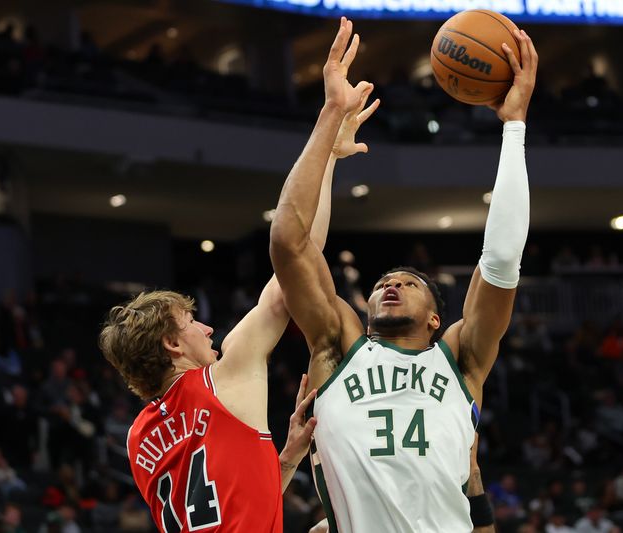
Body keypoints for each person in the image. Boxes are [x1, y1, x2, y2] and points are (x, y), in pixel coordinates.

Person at [270, 17, 536, 532]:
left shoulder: (461, 359)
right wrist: (330, 118)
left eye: (408, 283)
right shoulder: (336, 346)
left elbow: (502, 259)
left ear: (437, 319)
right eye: (381, 283)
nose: (389, 284)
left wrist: (514, 126)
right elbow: (288, 240)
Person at [98, 87, 377, 532]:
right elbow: (298, 259)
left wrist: (283, 461)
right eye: (190, 323)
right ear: (171, 344)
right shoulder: (223, 376)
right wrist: (329, 151)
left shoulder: (138, 437)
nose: (207, 329)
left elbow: (217, 508)